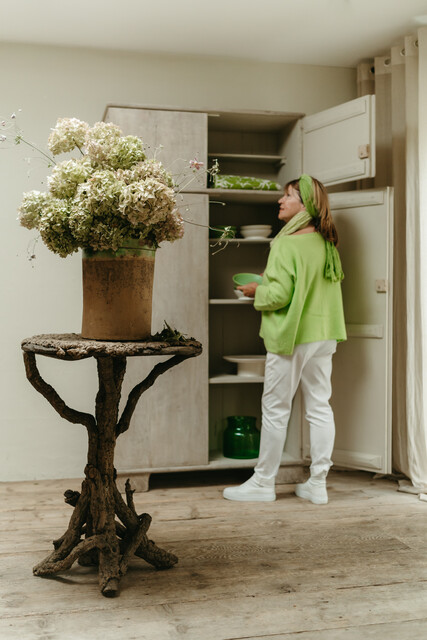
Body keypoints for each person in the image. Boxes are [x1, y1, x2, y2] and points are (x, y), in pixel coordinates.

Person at [223, 174, 346, 505]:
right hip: (324, 336)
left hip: (291, 338)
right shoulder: (325, 243)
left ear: (304, 205)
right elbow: (308, 283)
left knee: (276, 409)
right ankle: (317, 484)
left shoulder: (285, 242)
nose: (281, 201)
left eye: (288, 196)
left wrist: (254, 290)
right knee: (320, 407)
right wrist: (271, 280)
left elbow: (278, 296)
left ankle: (263, 483)